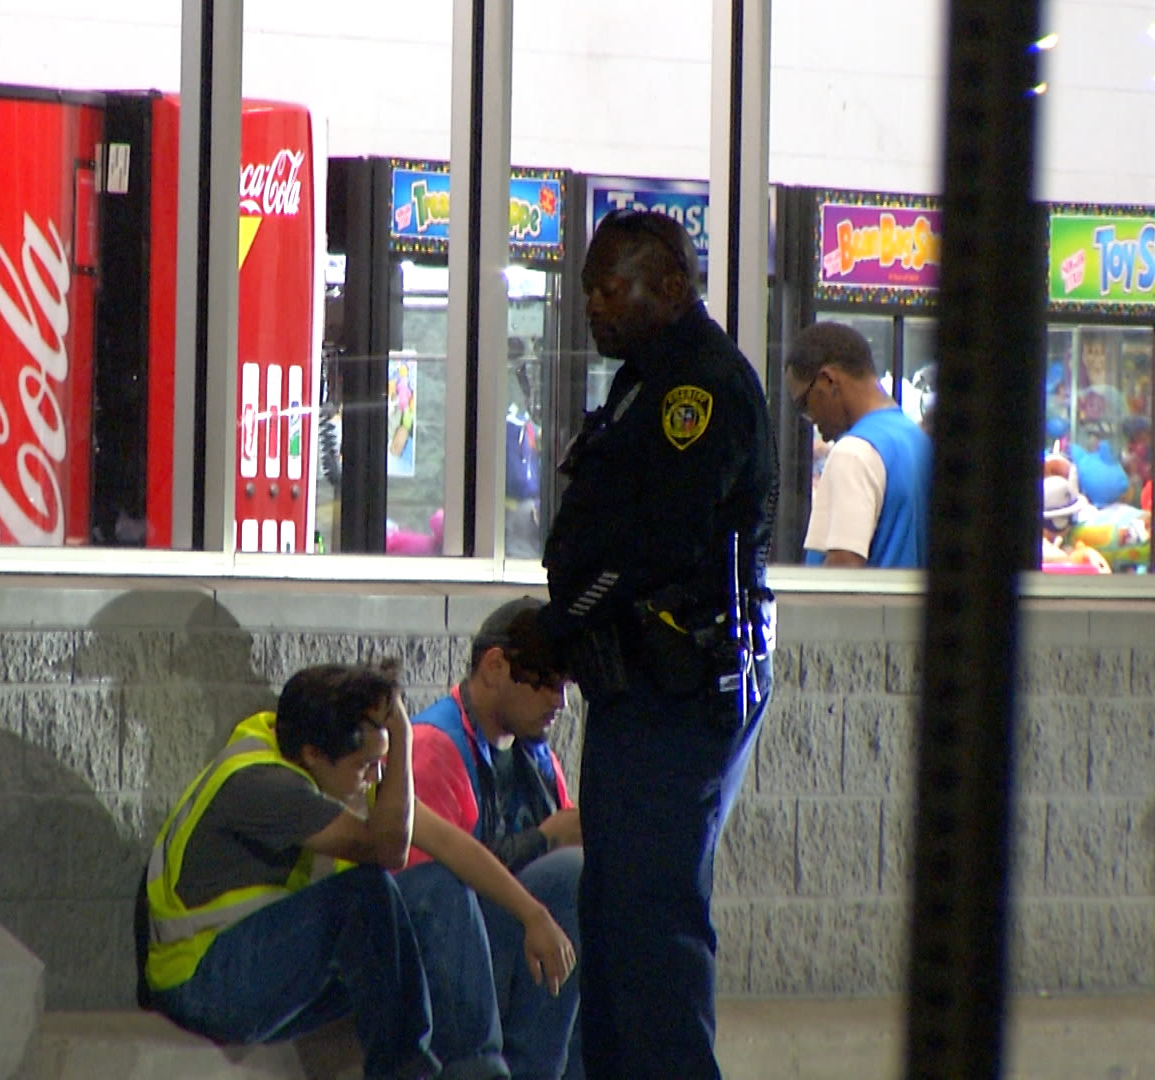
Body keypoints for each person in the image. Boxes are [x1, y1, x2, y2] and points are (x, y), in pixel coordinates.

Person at [540, 207, 776, 1080]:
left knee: (651, 927)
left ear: (674, 289)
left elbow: (658, 545)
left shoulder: (698, 388)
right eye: (589, 289)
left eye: (614, 288)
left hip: (682, 688)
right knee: (611, 917)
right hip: (636, 687)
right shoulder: (642, 378)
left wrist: (561, 623)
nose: (595, 305)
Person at [142, 662, 576, 1080]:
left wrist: (533, 915)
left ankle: (477, 1072)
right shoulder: (262, 785)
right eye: (366, 767)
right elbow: (387, 848)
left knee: (436, 887)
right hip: (204, 985)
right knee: (365, 893)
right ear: (314, 754)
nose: (374, 778)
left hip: (268, 964)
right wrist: (403, 735)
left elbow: (448, 845)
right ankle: (402, 1071)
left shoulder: (323, 758)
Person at [409, 597, 583, 1080]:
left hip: (518, 939)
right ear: (494, 666)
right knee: (572, 876)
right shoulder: (434, 745)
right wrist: (547, 838)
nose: (560, 702)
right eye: (547, 682)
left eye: (566, 686)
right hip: (449, 953)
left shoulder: (534, 752)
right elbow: (434, 893)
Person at [784, 321, 933, 569]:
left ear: (828, 381)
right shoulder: (918, 441)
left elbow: (844, 570)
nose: (811, 419)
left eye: (804, 404)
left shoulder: (853, 452)